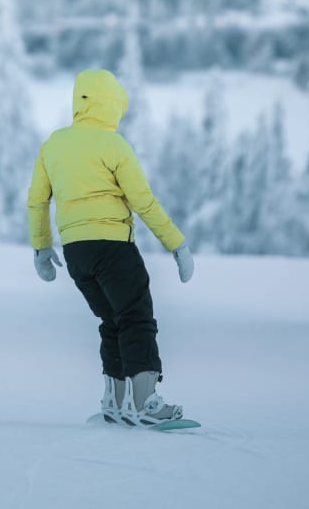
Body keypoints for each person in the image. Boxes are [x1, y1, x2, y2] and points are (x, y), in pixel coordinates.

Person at [27, 68, 194, 427]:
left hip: (76, 253)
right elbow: (143, 201)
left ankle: (115, 404)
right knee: (136, 317)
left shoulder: (53, 145)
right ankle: (147, 404)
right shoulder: (113, 145)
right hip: (113, 248)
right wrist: (177, 244)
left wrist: (41, 248)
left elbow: (37, 202)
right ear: (113, 105)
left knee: (111, 321)